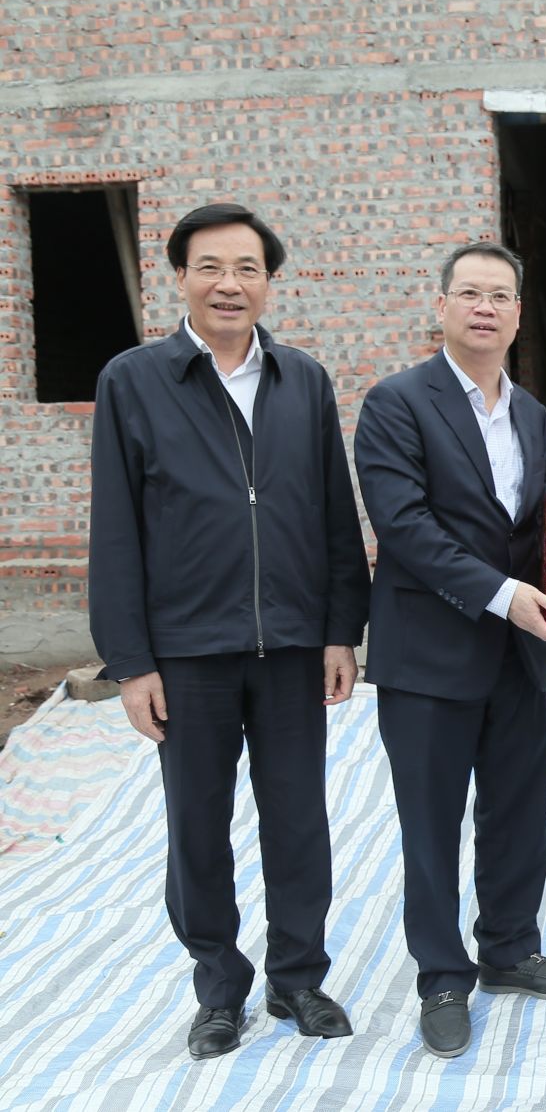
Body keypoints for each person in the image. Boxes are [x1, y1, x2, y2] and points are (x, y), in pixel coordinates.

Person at [89, 203, 371, 1059]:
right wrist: (131, 662)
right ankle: (218, 989)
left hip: (291, 648)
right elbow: (115, 529)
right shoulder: (134, 380)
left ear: (268, 283)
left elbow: (334, 514)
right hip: (187, 654)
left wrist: (340, 630)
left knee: (298, 821)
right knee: (197, 828)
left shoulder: (303, 379)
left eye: (247, 268)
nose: (229, 284)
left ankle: (299, 979)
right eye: (210, 267)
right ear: (180, 276)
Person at [354, 242, 546, 1059]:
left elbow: (535, 524)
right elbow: (404, 525)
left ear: (519, 314)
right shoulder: (396, 402)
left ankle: (510, 949)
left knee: (519, 808)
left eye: (500, 295)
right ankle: (443, 977)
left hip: (516, 654)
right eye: (470, 293)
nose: (485, 307)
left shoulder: (532, 413)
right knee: (431, 823)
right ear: (443, 307)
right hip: (429, 652)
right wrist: (502, 594)